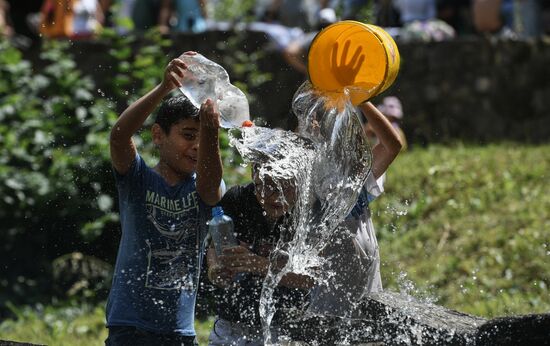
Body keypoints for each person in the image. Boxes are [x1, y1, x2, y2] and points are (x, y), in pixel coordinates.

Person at [207, 99, 403, 343]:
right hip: (283, 321)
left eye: (283, 186)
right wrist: (216, 268)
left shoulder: (334, 195)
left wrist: (361, 100)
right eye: (264, 185)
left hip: (347, 304)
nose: (272, 194)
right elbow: (215, 247)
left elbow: (311, 274)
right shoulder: (245, 199)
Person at [105, 51, 223, 346]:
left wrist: (212, 133)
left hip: (180, 332)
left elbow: (211, 191)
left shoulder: (205, 184)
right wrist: (162, 89)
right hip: (129, 327)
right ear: (158, 135)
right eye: (187, 134)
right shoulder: (138, 178)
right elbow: (119, 137)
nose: (196, 146)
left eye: (202, 137)